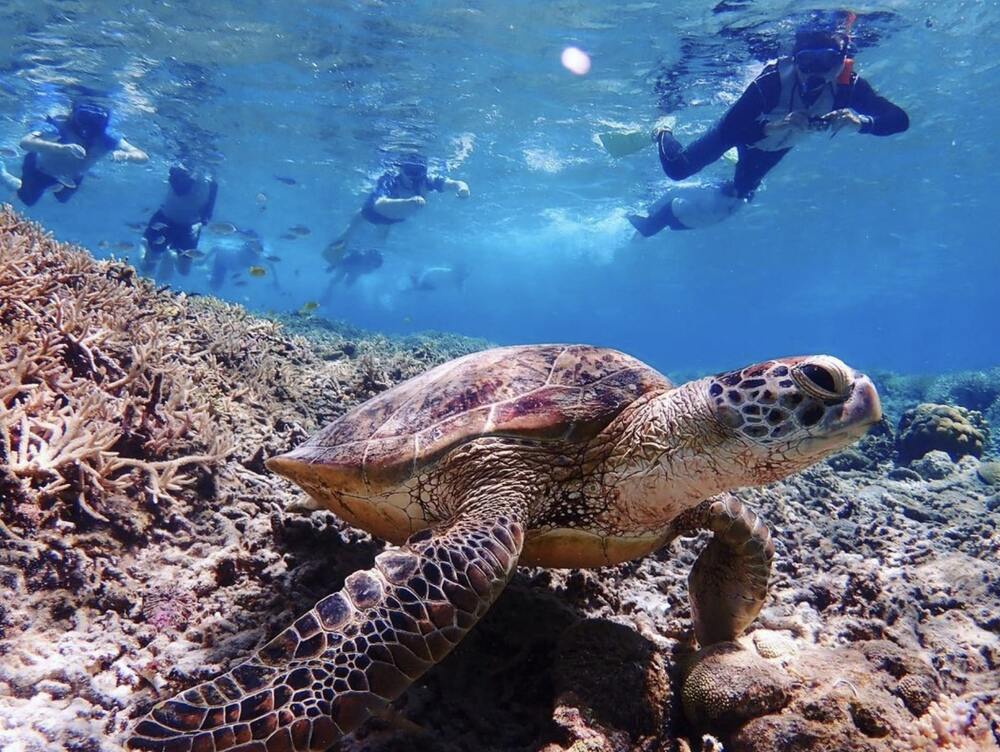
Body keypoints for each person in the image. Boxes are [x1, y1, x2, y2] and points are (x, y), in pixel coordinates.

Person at [626, 27, 908, 237]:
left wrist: (862, 124)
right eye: (807, 62)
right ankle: (661, 128)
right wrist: (777, 125)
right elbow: (733, 129)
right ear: (795, 60)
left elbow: (899, 119)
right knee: (677, 169)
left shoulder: (849, 88)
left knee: (736, 200)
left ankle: (659, 220)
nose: (815, 72)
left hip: (773, 147)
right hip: (745, 131)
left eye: (827, 62)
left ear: (842, 62)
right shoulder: (772, 82)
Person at [326, 154, 470, 262]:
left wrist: (463, 189)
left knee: (379, 240)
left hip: (393, 218)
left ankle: (358, 255)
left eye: (419, 171)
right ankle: (337, 247)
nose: (414, 176)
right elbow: (378, 204)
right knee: (351, 230)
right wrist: (409, 202)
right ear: (401, 169)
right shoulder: (390, 180)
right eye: (410, 170)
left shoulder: (427, 180)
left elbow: (455, 183)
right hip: (373, 212)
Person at [0, 102, 147, 206]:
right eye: (84, 116)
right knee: (27, 199)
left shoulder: (109, 137)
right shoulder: (59, 124)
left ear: (104, 120)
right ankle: (3, 174)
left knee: (62, 199)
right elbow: (25, 142)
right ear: (73, 113)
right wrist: (62, 148)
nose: (88, 124)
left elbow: (143, 156)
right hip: (40, 170)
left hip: (72, 177)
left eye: (96, 119)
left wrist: (127, 156)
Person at [140, 164, 218, 277]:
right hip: (165, 220)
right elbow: (179, 190)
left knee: (184, 271)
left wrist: (203, 220)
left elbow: (209, 208)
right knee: (148, 265)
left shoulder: (211, 178)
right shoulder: (181, 167)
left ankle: (170, 254)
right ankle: (145, 244)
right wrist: (194, 174)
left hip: (189, 226)